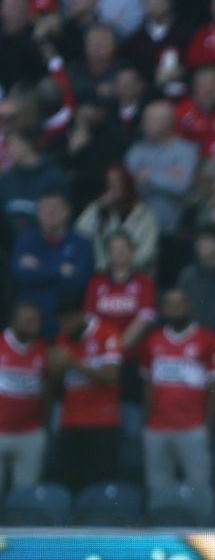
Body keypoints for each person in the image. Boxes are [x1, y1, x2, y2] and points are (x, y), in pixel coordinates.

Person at [140, 290, 215, 496]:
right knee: (157, 489)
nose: (174, 309)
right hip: (158, 427)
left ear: (189, 306)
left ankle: (201, 528)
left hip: (193, 426)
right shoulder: (153, 340)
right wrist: (149, 419)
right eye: (169, 304)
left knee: (199, 487)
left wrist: (207, 423)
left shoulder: (207, 339)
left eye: (179, 304)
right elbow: (146, 383)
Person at [49, 291, 122, 491]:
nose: (66, 326)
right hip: (71, 421)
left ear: (82, 315)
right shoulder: (62, 338)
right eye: (62, 322)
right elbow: (54, 383)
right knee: (70, 484)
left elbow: (110, 376)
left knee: (101, 486)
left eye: (70, 321)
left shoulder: (107, 333)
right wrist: (54, 368)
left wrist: (74, 362)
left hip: (102, 422)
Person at [11, 190, 93, 339]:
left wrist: (39, 269)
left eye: (54, 208)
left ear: (66, 212)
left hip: (66, 328)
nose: (49, 213)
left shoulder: (82, 243)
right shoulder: (26, 240)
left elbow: (77, 283)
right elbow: (19, 274)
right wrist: (59, 269)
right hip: (30, 328)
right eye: (44, 208)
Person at [124, 101, 199, 235]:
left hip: (172, 230)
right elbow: (128, 185)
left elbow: (181, 186)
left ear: (167, 122)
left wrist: (149, 176)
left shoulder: (185, 150)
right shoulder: (137, 150)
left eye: (149, 120)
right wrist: (166, 176)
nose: (143, 124)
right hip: (137, 227)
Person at [74, 165, 159, 273]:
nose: (114, 186)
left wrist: (122, 267)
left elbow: (148, 252)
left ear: (127, 183)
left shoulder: (146, 215)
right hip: (104, 275)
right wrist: (98, 207)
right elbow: (80, 231)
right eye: (109, 182)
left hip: (137, 276)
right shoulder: (101, 210)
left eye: (118, 181)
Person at [0, 302, 48, 491]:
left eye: (37, 321)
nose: (34, 325)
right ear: (15, 321)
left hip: (30, 432)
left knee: (26, 496)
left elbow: (47, 391)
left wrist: (43, 428)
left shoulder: (43, 349)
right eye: (29, 321)